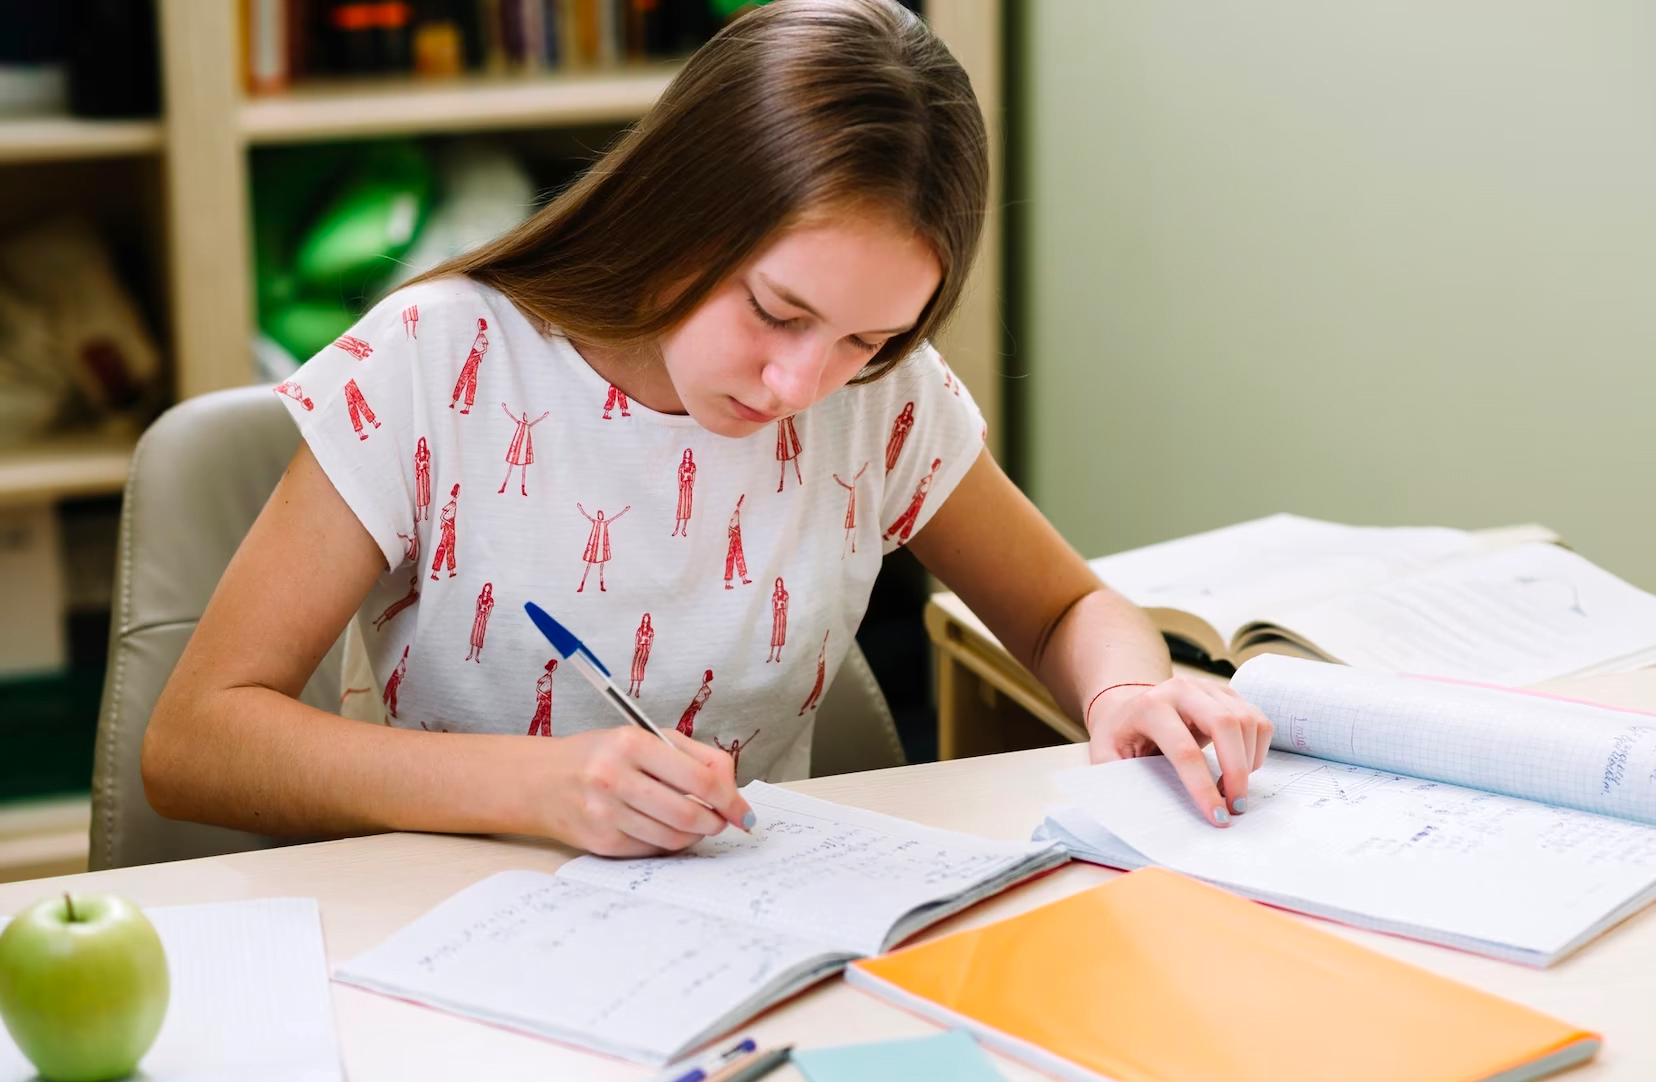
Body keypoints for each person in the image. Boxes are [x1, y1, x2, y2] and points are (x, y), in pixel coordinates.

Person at [144, 0, 1269, 864]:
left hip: (745, 941)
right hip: (450, 916)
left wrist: (1126, 690)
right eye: (777, 311)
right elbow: (196, 740)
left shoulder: (881, 398)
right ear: (681, 211)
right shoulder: (439, 364)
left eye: (865, 339)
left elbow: (1067, 605)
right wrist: (533, 785)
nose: (800, 382)